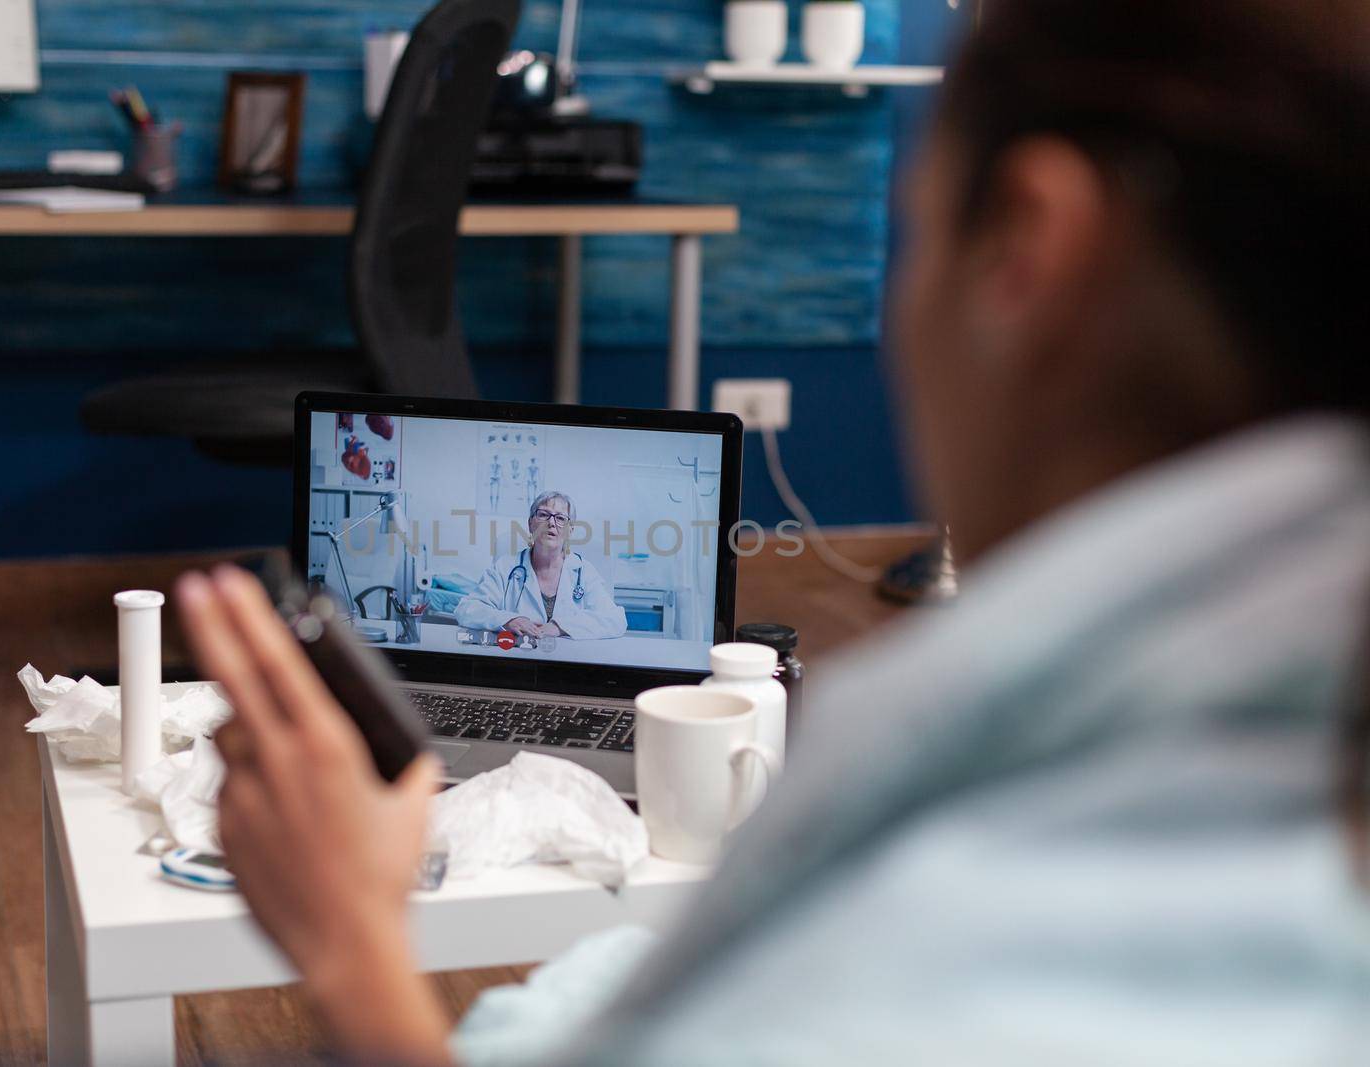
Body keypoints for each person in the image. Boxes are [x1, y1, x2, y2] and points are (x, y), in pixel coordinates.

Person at [173, 1, 1370, 1062]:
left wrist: (351, 949)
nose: (542, 528)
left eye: (915, 225)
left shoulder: (897, 968)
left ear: (1025, 251)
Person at [453, 491, 627, 641]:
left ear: (570, 530)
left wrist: (560, 627)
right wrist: (508, 620)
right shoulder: (506, 567)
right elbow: (467, 609)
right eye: (543, 515)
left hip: (571, 664)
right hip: (518, 660)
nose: (551, 523)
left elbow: (615, 620)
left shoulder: (584, 571)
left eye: (560, 518)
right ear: (530, 523)